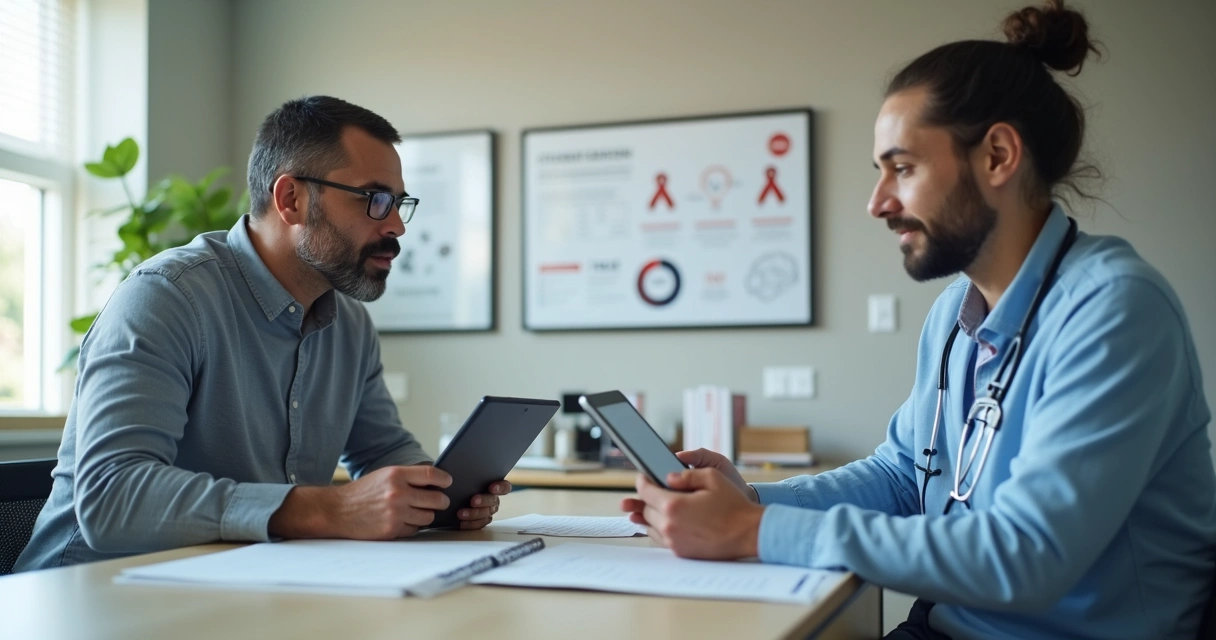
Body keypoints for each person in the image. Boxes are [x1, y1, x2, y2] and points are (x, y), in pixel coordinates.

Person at [622, 2, 1216, 638]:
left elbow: (1026, 557)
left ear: (996, 156)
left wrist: (754, 531)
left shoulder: (1114, 310)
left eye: (902, 168)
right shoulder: (953, 318)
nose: (878, 202)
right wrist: (756, 502)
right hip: (951, 624)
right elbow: (905, 476)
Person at [16, 96, 507, 571]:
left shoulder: (349, 323)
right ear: (291, 199)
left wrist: (437, 495)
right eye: (375, 200)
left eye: (400, 203)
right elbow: (112, 498)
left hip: (236, 583)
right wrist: (329, 510)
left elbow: (381, 451)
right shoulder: (167, 298)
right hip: (89, 596)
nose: (398, 225)